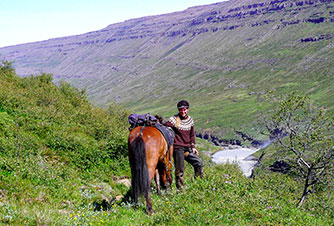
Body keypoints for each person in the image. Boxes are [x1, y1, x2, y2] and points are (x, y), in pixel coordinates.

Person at [165, 100, 203, 189]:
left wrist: (193, 147)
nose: (183, 111)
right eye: (181, 110)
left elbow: (192, 135)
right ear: (178, 110)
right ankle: (180, 189)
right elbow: (166, 126)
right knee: (180, 171)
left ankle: (197, 184)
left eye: (185, 109)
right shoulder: (174, 119)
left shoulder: (190, 120)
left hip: (188, 148)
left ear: (188, 109)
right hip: (178, 148)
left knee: (198, 164)